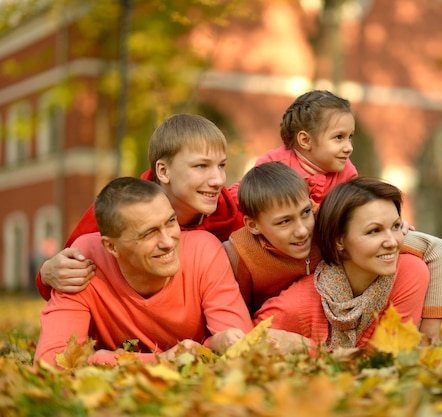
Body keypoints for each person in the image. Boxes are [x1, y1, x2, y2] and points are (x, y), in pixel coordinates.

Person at [34, 177, 253, 367]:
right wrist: (164, 359)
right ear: (111, 246)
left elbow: (240, 346)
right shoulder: (81, 263)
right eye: (149, 233)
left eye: (171, 222)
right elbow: (53, 360)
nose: (168, 242)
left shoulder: (204, 250)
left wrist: (208, 346)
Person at [224, 162, 442, 340]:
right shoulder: (240, 254)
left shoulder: (324, 222)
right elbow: (239, 323)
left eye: (305, 213)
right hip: (291, 313)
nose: (303, 231)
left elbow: (437, 249)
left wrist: (429, 338)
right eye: (284, 222)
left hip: (340, 296)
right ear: (253, 225)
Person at [35, 114, 244, 299]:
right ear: (163, 171)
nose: (218, 180)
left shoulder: (237, 221)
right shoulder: (119, 208)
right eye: (201, 166)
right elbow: (64, 274)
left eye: (221, 165)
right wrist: (46, 274)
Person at [253, 176, 430, 349]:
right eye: (374, 231)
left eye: (396, 226)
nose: (392, 242)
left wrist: (307, 348)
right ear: (339, 240)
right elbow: (246, 343)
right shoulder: (297, 305)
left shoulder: (409, 272)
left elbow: (389, 357)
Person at [229, 90, 357, 206]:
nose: (349, 148)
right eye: (339, 137)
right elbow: (238, 195)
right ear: (305, 140)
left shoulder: (347, 173)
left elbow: (352, 212)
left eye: (350, 137)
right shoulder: (275, 163)